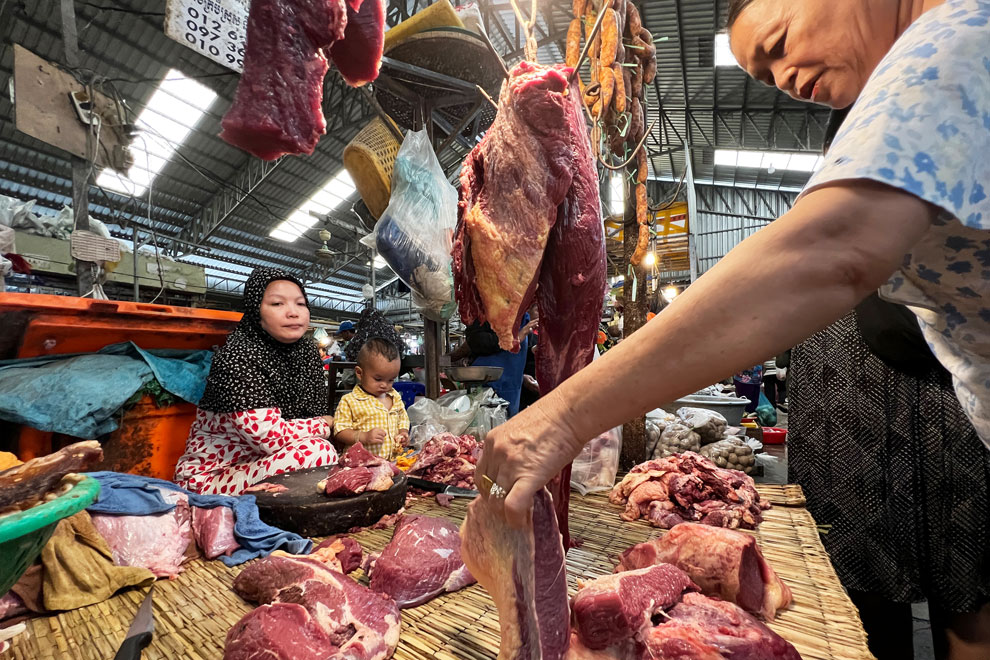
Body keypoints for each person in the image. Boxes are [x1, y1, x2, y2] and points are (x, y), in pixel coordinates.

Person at [477, 0, 990, 543]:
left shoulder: (957, 38)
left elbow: (828, 252)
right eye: (767, 75)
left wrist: (562, 417)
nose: (786, 81)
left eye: (780, 45)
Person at [174, 267, 336, 496]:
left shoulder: (306, 354)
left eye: (301, 304)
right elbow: (268, 437)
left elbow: (311, 414)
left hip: (265, 465)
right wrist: (323, 424)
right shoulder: (238, 355)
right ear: (256, 311)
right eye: (277, 304)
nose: (293, 312)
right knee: (318, 452)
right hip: (213, 476)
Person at [333, 338, 410, 460]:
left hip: (393, 463)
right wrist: (362, 436)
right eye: (378, 379)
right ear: (359, 373)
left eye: (391, 380)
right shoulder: (350, 401)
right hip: (361, 465)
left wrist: (403, 432)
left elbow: (403, 419)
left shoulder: (394, 397)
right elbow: (340, 431)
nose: (385, 385)